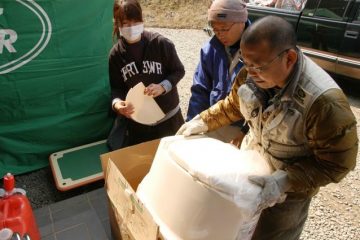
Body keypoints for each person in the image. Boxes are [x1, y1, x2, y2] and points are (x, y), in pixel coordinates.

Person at [177, 16, 358, 240]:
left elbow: (337, 164)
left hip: (287, 195)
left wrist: (284, 181)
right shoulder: (253, 71)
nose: (250, 73)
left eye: (258, 67)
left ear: (289, 58)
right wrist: (203, 120)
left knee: (272, 235)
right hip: (249, 171)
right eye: (246, 62)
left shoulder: (325, 104)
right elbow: (234, 104)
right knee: (235, 229)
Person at [107, 0, 185, 149]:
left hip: (169, 119)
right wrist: (117, 104)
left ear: (142, 21)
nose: (131, 28)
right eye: (125, 23)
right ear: (117, 24)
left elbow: (179, 70)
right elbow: (116, 88)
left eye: (135, 22)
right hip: (139, 124)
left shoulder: (161, 43)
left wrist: (163, 86)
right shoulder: (116, 55)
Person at [187, 0, 250, 145]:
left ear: (241, 21)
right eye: (215, 29)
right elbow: (200, 91)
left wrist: (246, 131)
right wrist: (193, 123)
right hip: (214, 122)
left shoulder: (258, 48)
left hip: (245, 129)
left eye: (224, 29)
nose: (219, 35)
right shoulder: (210, 50)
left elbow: (266, 99)